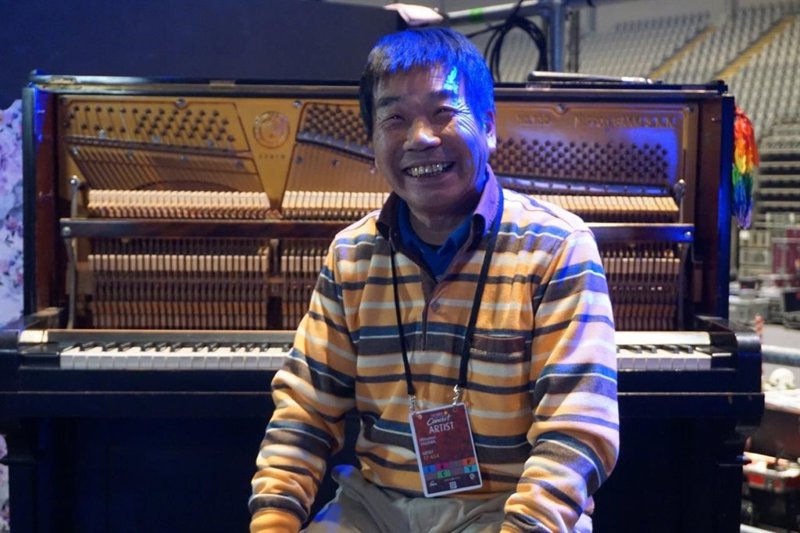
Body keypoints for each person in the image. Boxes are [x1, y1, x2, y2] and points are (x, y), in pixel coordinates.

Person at [250, 27, 619, 533]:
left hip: (508, 508)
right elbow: (304, 412)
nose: (420, 137)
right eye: (395, 118)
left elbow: (576, 431)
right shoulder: (351, 254)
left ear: (488, 127)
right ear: (373, 142)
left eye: (443, 112)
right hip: (375, 508)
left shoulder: (558, 246)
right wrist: (274, 518)